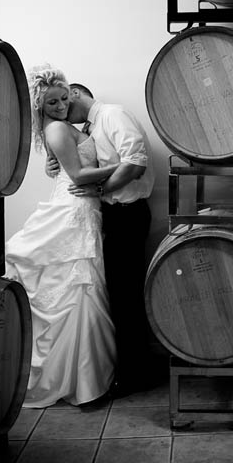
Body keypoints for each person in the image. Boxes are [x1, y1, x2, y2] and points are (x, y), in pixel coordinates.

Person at [4, 66, 117, 408]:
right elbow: (79, 174)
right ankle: (80, 382)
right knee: (77, 287)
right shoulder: (56, 130)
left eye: (64, 98)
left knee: (83, 287)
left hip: (84, 208)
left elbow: (69, 166)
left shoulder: (66, 127)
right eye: (51, 102)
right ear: (40, 105)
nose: (60, 106)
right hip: (74, 209)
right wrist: (125, 165)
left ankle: (85, 377)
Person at [47, 81, 159, 397]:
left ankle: (135, 375)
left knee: (126, 296)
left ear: (76, 94)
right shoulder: (91, 128)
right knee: (118, 295)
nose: (61, 111)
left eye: (64, 102)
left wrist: (100, 190)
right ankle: (134, 368)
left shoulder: (112, 114)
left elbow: (135, 163)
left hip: (129, 213)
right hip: (112, 215)